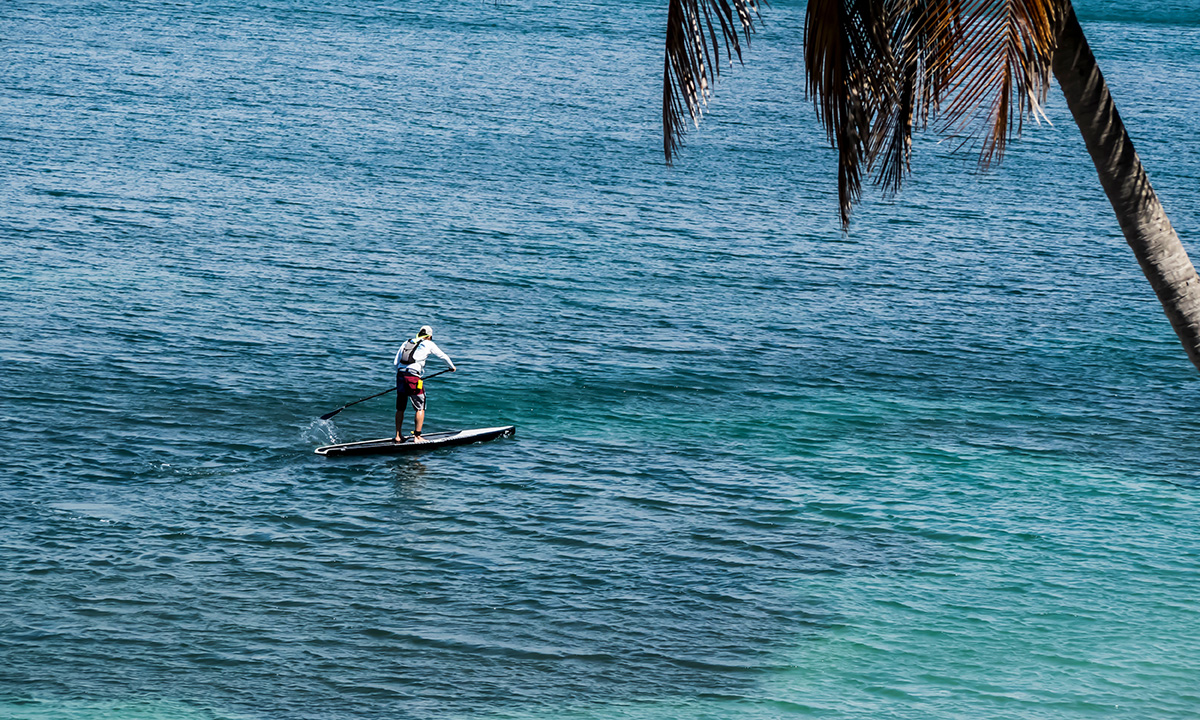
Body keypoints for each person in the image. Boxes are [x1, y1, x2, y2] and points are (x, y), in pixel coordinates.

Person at [393, 325, 456, 442]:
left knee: (400, 407)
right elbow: (443, 356)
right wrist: (451, 367)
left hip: (400, 375)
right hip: (413, 377)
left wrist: (403, 377)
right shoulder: (429, 343)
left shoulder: (407, 342)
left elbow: (396, 362)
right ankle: (417, 436)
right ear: (430, 336)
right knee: (420, 407)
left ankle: (398, 436)